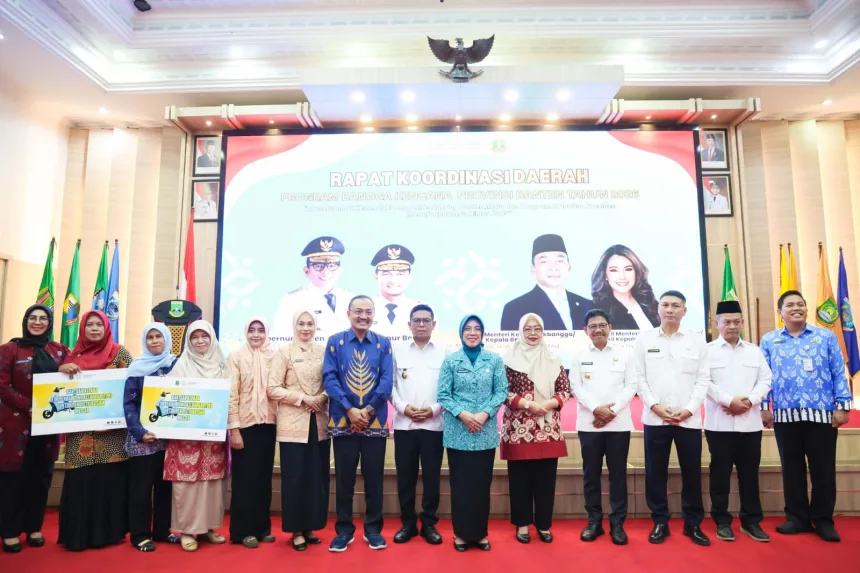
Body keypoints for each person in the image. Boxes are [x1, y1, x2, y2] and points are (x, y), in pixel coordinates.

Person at [760, 290, 853, 542]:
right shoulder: (769, 341)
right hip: (785, 415)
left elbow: (838, 371)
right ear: (780, 312)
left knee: (823, 470)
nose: (796, 308)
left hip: (822, 415)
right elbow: (763, 378)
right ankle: (797, 518)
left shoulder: (825, 337)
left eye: (800, 304)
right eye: (790, 305)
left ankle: (823, 520)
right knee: (792, 469)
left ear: (806, 308)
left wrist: (843, 406)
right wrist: (764, 406)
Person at [632, 290, 710, 546]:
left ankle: (693, 523)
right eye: (665, 305)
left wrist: (689, 409)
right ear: (658, 309)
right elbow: (639, 379)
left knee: (692, 473)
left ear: (684, 311)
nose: (670, 310)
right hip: (655, 419)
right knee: (655, 473)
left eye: (676, 306)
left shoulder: (697, 340)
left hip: (688, 420)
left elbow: (703, 379)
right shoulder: (644, 340)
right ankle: (660, 521)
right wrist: (655, 407)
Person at [0, 305, 74, 553]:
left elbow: (75, 378)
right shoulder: (10, 350)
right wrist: (30, 406)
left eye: (43, 318)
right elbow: (3, 386)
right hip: (16, 428)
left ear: (49, 323)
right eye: (32, 318)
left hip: (48, 428)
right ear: (25, 321)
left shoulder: (60, 351)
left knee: (41, 478)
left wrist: (66, 369)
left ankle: (34, 527)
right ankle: (10, 531)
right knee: (14, 480)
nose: (38, 322)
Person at [58, 310, 133, 551]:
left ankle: (108, 534)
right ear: (82, 329)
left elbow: (133, 386)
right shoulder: (72, 356)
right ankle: (78, 536)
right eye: (89, 325)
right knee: (81, 482)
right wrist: (61, 371)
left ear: (106, 328)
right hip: (81, 434)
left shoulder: (120, 353)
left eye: (99, 325)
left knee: (107, 481)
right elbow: (59, 390)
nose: (94, 329)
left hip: (111, 435)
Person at [323, 295, 393, 552]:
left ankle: (373, 530)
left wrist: (368, 410)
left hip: (375, 422)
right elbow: (329, 378)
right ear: (348, 313)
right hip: (343, 422)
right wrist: (350, 410)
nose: (363, 316)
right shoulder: (335, 342)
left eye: (368, 312)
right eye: (358, 311)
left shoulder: (383, 343)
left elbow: (387, 381)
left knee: (374, 480)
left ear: (374, 315)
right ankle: (344, 531)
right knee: (344, 481)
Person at [437, 315, 508, 552]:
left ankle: (480, 534)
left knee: (480, 486)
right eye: (467, 328)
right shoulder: (451, 361)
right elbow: (444, 394)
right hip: (458, 433)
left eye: (477, 329)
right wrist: (464, 415)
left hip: (485, 433)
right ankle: (461, 534)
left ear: (483, 333)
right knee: (461, 486)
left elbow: (501, 392)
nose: (472, 332)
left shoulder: (494, 360)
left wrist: (484, 414)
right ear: (461, 333)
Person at [705, 300, 772, 543]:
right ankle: (722, 521)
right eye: (727, 322)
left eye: (736, 322)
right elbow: (703, 382)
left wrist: (750, 401)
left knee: (749, 474)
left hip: (749, 423)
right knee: (720, 474)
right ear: (717, 324)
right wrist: (728, 401)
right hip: (719, 424)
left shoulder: (754, 351)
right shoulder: (707, 351)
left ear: (742, 323)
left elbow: (766, 380)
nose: (732, 326)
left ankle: (751, 521)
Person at [501, 313, 570, 544]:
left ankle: (543, 524)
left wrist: (548, 404)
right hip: (519, 429)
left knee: (546, 480)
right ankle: (522, 524)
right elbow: (503, 391)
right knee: (519, 480)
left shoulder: (553, 359)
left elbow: (564, 390)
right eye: (528, 329)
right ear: (520, 331)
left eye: (537, 328)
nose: (533, 333)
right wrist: (528, 405)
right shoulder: (509, 359)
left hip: (548, 429)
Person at [570, 309, 637, 545]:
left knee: (618, 476)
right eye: (593, 326)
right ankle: (594, 522)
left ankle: (617, 523)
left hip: (618, 425)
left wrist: (611, 411)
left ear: (610, 328)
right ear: (585, 330)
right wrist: (596, 409)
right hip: (589, 425)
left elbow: (631, 385)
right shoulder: (578, 356)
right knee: (591, 475)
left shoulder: (625, 354)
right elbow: (575, 387)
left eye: (602, 325)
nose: (597, 330)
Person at [267, 309, 330, 551]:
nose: (305, 328)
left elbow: (332, 381)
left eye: (310, 324)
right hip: (293, 425)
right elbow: (273, 388)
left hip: (319, 423)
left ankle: (310, 526)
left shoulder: (324, 351)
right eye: (301, 324)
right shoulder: (284, 352)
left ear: (315, 327)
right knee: (295, 478)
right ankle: (296, 530)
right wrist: (303, 398)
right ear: (294, 326)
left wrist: (322, 397)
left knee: (316, 477)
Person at [163, 320, 229, 552]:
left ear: (212, 338)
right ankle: (186, 530)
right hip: (186, 439)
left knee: (211, 482)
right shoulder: (181, 366)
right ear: (188, 341)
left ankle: (207, 527)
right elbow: (168, 397)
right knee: (187, 483)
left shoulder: (222, 364)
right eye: (195, 337)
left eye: (204, 336)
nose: (200, 341)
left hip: (212, 437)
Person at [390, 304, 446, 545]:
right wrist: (404, 408)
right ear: (409, 324)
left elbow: (449, 388)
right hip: (404, 425)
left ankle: (429, 524)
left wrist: (434, 410)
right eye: (417, 320)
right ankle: (408, 524)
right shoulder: (397, 351)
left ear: (434, 324)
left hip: (434, 426)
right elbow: (390, 386)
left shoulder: (444, 352)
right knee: (405, 478)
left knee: (432, 478)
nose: (421, 324)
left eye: (426, 320)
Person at [123, 323, 180, 552]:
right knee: (141, 489)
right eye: (150, 337)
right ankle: (140, 535)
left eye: (159, 337)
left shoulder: (176, 365)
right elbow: (129, 404)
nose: (155, 341)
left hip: (169, 438)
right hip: (143, 439)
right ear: (145, 342)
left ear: (167, 339)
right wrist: (140, 432)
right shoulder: (137, 368)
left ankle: (162, 530)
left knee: (165, 487)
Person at [227, 318, 277, 549]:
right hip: (244, 426)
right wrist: (234, 430)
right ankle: (242, 531)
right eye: (252, 330)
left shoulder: (274, 356)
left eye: (261, 330)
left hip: (268, 424)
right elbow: (232, 395)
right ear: (245, 332)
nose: (256, 335)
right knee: (245, 480)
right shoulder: (236, 357)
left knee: (262, 479)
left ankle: (262, 528)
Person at [501, 234, 593, 331]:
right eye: (544, 261)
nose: (554, 267)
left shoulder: (587, 305)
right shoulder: (515, 308)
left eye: (560, 260)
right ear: (533, 269)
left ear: (569, 267)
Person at [272, 236, 355, 340]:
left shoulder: (351, 299)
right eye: (318, 266)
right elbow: (281, 339)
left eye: (332, 266)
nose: (326, 272)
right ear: (306, 271)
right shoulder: (292, 301)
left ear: (340, 270)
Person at [590, 245, 660, 330]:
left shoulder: (648, 301)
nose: (622, 277)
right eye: (614, 270)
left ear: (636, 271)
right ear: (605, 275)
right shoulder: (599, 312)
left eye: (628, 269)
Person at [371, 244, 420, 337]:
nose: (393, 280)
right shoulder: (363, 309)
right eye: (386, 274)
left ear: (410, 277)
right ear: (376, 276)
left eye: (400, 274)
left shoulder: (422, 310)